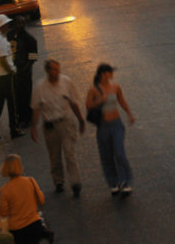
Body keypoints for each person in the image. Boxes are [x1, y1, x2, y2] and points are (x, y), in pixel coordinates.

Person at [30, 59, 85, 197]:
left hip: (65, 122)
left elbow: (73, 103)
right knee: (54, 155)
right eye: (53, 70)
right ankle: (58, 181)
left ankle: (75, 182)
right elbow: (36, 109)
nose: (56, 73)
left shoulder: (66, 82)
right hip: (50, 124)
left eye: (57, 69)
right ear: (47, 71)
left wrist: (80, 119)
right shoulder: (40, 88)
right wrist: (33, 128)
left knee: (70, 153)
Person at [85, 63, 135, 195]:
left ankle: (125, 181)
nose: (112, 74)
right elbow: (88, 105)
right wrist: (100, 99)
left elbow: (121, 101)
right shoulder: (94, 89)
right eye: (110, 72)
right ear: (103, 74)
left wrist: (129, 113)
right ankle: (113, 182)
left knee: (120, 153)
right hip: (103, 126)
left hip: (116, 124)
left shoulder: (115, 87)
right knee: (106, 156)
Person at [0, 154, 50, 244]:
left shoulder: (4, 190)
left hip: (17, 230)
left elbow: (3, 213)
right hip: (34, 224)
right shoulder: (30, 181)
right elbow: (41, 200)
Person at [11, 16, 38, 132]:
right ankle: (19, 116)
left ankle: (26, 118)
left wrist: (25, 68)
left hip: (24, 73)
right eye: (18, 23)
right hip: (14, 71)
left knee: (26, 95)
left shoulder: (30, 39)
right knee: (17, 96)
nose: (20, 25)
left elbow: (33, 57)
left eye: (22, 23)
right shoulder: (10, 36)